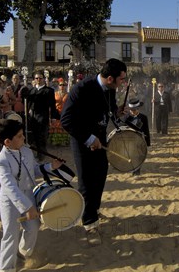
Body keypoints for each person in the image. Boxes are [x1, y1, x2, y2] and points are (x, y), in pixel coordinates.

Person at [60, 58, 127, 245]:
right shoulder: (81, 89)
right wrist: (89, 138)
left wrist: (117, 112)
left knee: (100, 176)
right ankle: (89, 224)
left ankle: (94, 211)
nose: (124, 83)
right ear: (110, 78)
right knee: (87, 182)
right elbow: (66, 120)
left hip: (101, 140)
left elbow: (109, 110)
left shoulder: (110, 90)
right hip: (83, 142)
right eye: (122, 79)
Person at [0, 118, 63, 272]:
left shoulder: (25, 151)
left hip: (28, 196)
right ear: (7, 142)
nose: (23, 138)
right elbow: (9, 187)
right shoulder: (1, 161)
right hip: (10, 201)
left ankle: (23, 252)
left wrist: (50, 167)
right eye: (19, 136)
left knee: (33, 227)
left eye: (23, 135)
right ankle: (7, 271)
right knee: (10, 233)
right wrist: (27, 207)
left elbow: (34, 170)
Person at [21, 71, 58, 160]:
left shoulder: (49, 90)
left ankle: (42, 154)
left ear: (43, 79)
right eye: (37, 78)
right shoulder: (31, 90)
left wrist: (53, 117)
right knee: (34, 135)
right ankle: (39, 152)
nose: (38, 80)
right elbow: (27, 102)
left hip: (42, 115)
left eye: (40, 78)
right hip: (32, 115)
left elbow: (52, 105)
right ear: (34, 79)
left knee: (42, 135)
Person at [122, 98, 151, 176]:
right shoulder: (126, 118)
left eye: (134, 110)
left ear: (138, 109)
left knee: (138, 156)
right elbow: (122, 129)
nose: (132, 111)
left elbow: (146, 130)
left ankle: (137, 172)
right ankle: (132, 169)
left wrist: (148, 143)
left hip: (139, 140)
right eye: (131, 110)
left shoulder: (143, 117)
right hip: (129, 140)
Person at [50, 79, 70, 146]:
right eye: (60, 85)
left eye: (64, 85)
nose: (62, 86)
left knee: (64, 126)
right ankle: (56, 142)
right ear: (58, 86)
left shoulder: (68, 94)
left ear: (66, 86)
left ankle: (64, 142)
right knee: (56, 126)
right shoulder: (55, 94)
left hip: (65, 112)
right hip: (56, 112)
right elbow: (52, 103)